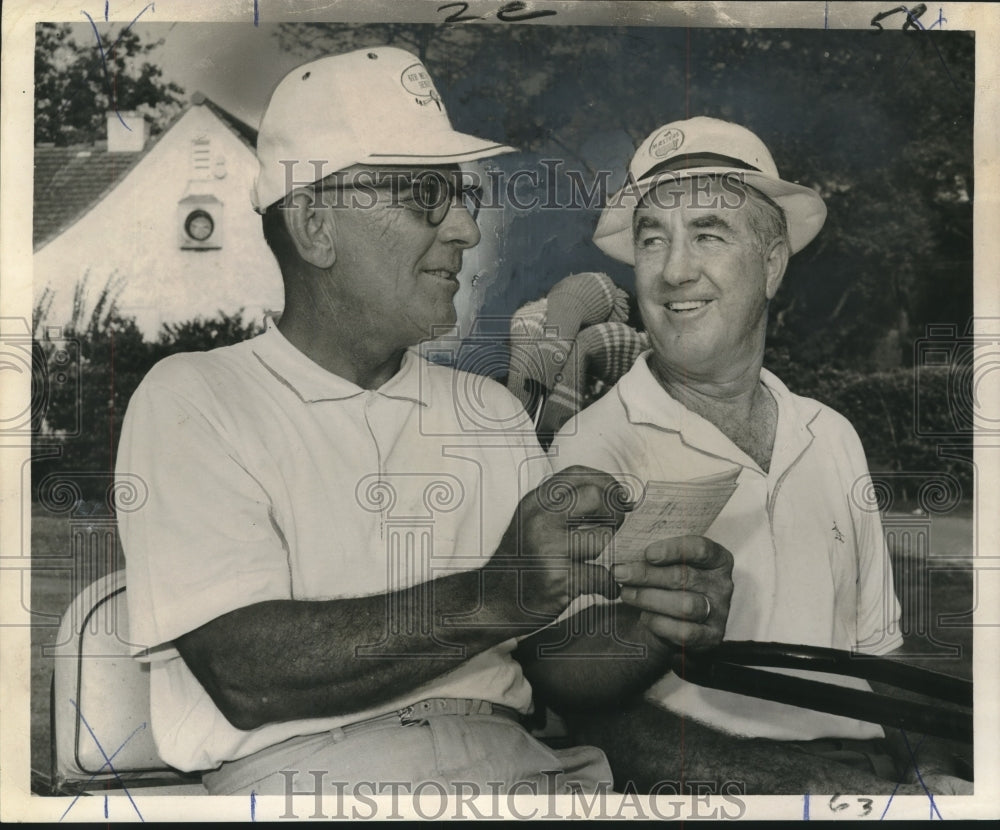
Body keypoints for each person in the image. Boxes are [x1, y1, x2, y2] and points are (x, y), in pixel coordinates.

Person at [115, 49, 735, 798]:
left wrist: (656, 627)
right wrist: (495, 594)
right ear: (316, 226)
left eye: (462, 196)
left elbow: (557, 663)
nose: (467, 231)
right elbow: (246, 674)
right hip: (308, 789)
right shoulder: (195, 399)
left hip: (523, 776)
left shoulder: (491, 413)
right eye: (425, 196)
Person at [547, 116, 972, 795]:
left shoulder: (830, 436)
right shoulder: (595, 447)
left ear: (772, 263)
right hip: (713, 792)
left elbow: (881, 652)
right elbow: (589, 714)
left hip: (867, 781)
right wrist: (826, 793)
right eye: (652, 239)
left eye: (709, 234)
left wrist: (937, 771)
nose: (674, 271)